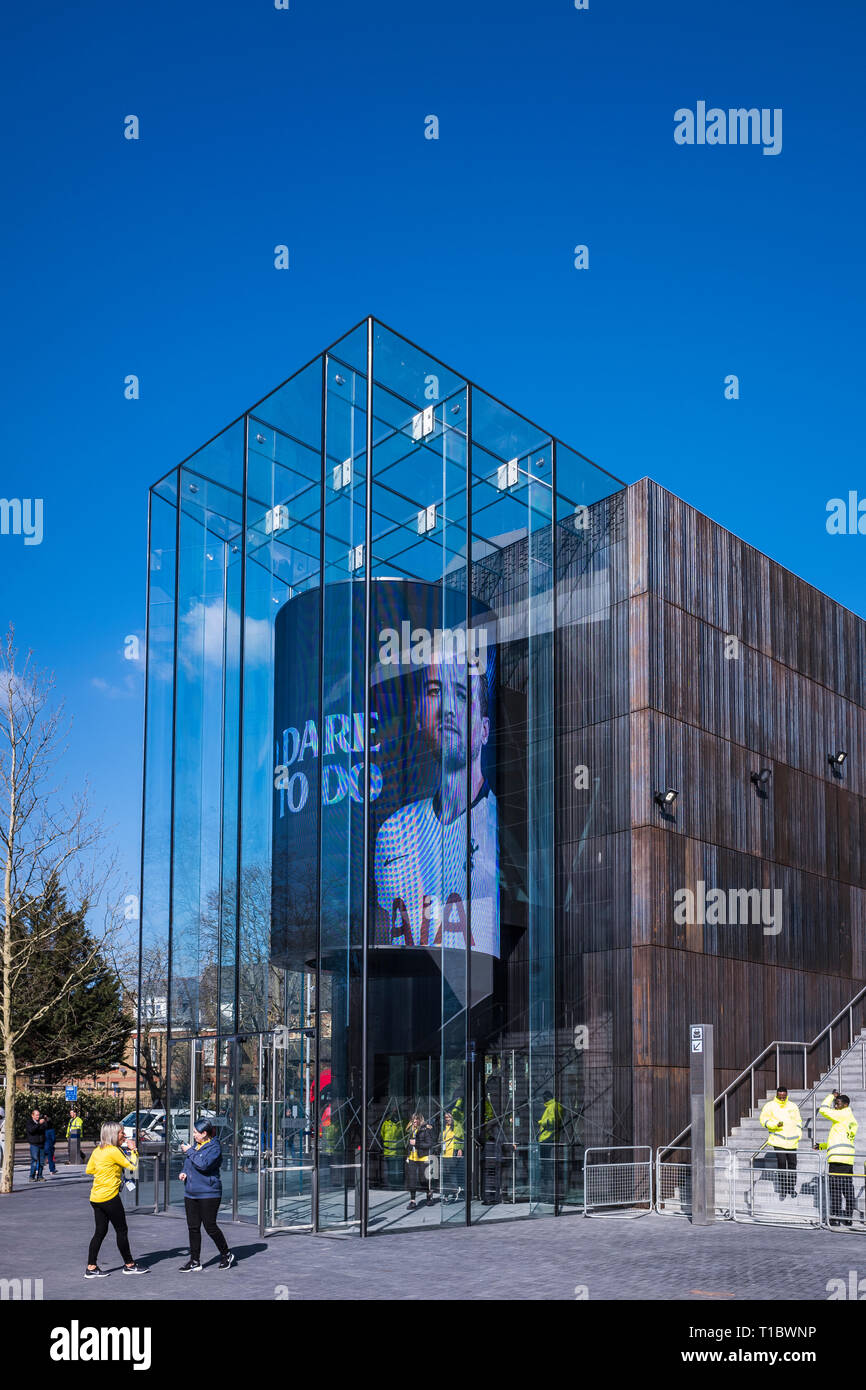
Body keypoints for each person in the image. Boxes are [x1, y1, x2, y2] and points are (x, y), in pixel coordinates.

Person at [374, 654, 498, 957]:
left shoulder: (504, 826)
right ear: (418, 716)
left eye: (461, 695)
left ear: (484, 729)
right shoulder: (393, 831)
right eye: (434, 691)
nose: (447, 708)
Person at [84, 1121, 148, 1277]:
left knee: (100, 1232)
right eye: (121, 1133)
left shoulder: (98, 1150)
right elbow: (133, 1166)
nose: (124, 1135)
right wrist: (133, 1150)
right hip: (110, 1197)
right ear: (113, 1134)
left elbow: (89, 1170)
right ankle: (129, 1265)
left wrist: (107, 1170)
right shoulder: (113, 1151)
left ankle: (91, 1267)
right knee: (122, 1230)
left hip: (96, 1197)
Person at [178, 1118, 235, 1271]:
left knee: (210, 1226)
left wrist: (189, 1151)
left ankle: (226, 1254)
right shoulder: (197, 1146)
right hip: (191, 1193)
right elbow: (190, 1162)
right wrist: (184, 1172)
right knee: (193, 1227)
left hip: (209, 1193)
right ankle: (194, 1260)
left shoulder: (214, 1148)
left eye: (196, 1132)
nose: (194, 1135)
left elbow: (203, 1165)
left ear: (204, 1133)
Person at [816, 1090, 858, 1229]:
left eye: (837, 1103)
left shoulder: (841, 1114)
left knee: (835, 1189)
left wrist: (831, 1096)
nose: (835, 1106)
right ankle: (848, 1218)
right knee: (847, 1189)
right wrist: (822, 1146)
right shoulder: (850, 1118)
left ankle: (834, 1218)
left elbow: (822, 1109)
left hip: (837, 1159)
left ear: (845, 1105)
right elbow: (840, 1139)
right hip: (847, 1159)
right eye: (835, 1103)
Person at [758, 1085, 802, 1198]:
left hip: (792, 1141)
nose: (782, 1098)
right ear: (777, 1095)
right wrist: (774, 1125)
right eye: (780, 1096)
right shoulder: (770, 1106)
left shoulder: (793, 1106)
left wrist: (799, 1133)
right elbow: (764, 1120)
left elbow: (798, 1121)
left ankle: (791, 1188)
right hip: (778, 1141)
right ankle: (783, 1188)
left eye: (784, 1096)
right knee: (782, 1164)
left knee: (792, 1165)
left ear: (787, 1095)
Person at [537, 1091, 564, 1206]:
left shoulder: (553, 1106)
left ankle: (549, 1194)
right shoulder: (552, 1106)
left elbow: (553, 1122)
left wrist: (541, 1122)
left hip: (548, 1139)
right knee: (545, 1167)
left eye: (543, 1098)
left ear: (546, 1097)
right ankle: (548, 1193)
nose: (542, 1100)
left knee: (546, 1167)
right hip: (546, 1139)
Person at [405, 1112, 433, 1210]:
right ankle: (412, 1201)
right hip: (412, 1157)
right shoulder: (411, 1130)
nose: (415, 1121)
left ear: (420, 1120)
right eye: (413, 1119)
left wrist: (417, 1143)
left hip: (422, 1157)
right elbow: (409, 1143)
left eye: (417, 1119)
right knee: (411, 1179)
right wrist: (408, 1155)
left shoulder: (425, 1130)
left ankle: (429, 1193)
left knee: (423, 1179)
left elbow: (429, 1144)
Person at [441, 1110, 464, 1203]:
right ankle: (448, 1194)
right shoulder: (444, 1127)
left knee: (451, 1174)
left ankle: (454, 1191)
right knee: (446, 1175)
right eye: (446, 1117)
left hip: (452, 1153)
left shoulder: (457, 1126)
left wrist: (460, 1149)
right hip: (444, 1154)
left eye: (449, 1117)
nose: (447, 1119)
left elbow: (461, 1138)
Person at [26, 1108, 47, 1181]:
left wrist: (45, 1121)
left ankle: (40, 1176)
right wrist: (38, 1124)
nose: (38, 1116)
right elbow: (32, 1130)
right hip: (34, 1144)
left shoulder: (41, 1122)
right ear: (32, 1115)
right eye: (36, 1115)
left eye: (39, 1115)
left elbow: (45, 1129)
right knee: (34, 1160)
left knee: (41, 1162)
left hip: (41, 1144)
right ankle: (31, 1176)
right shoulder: (30, 1122)